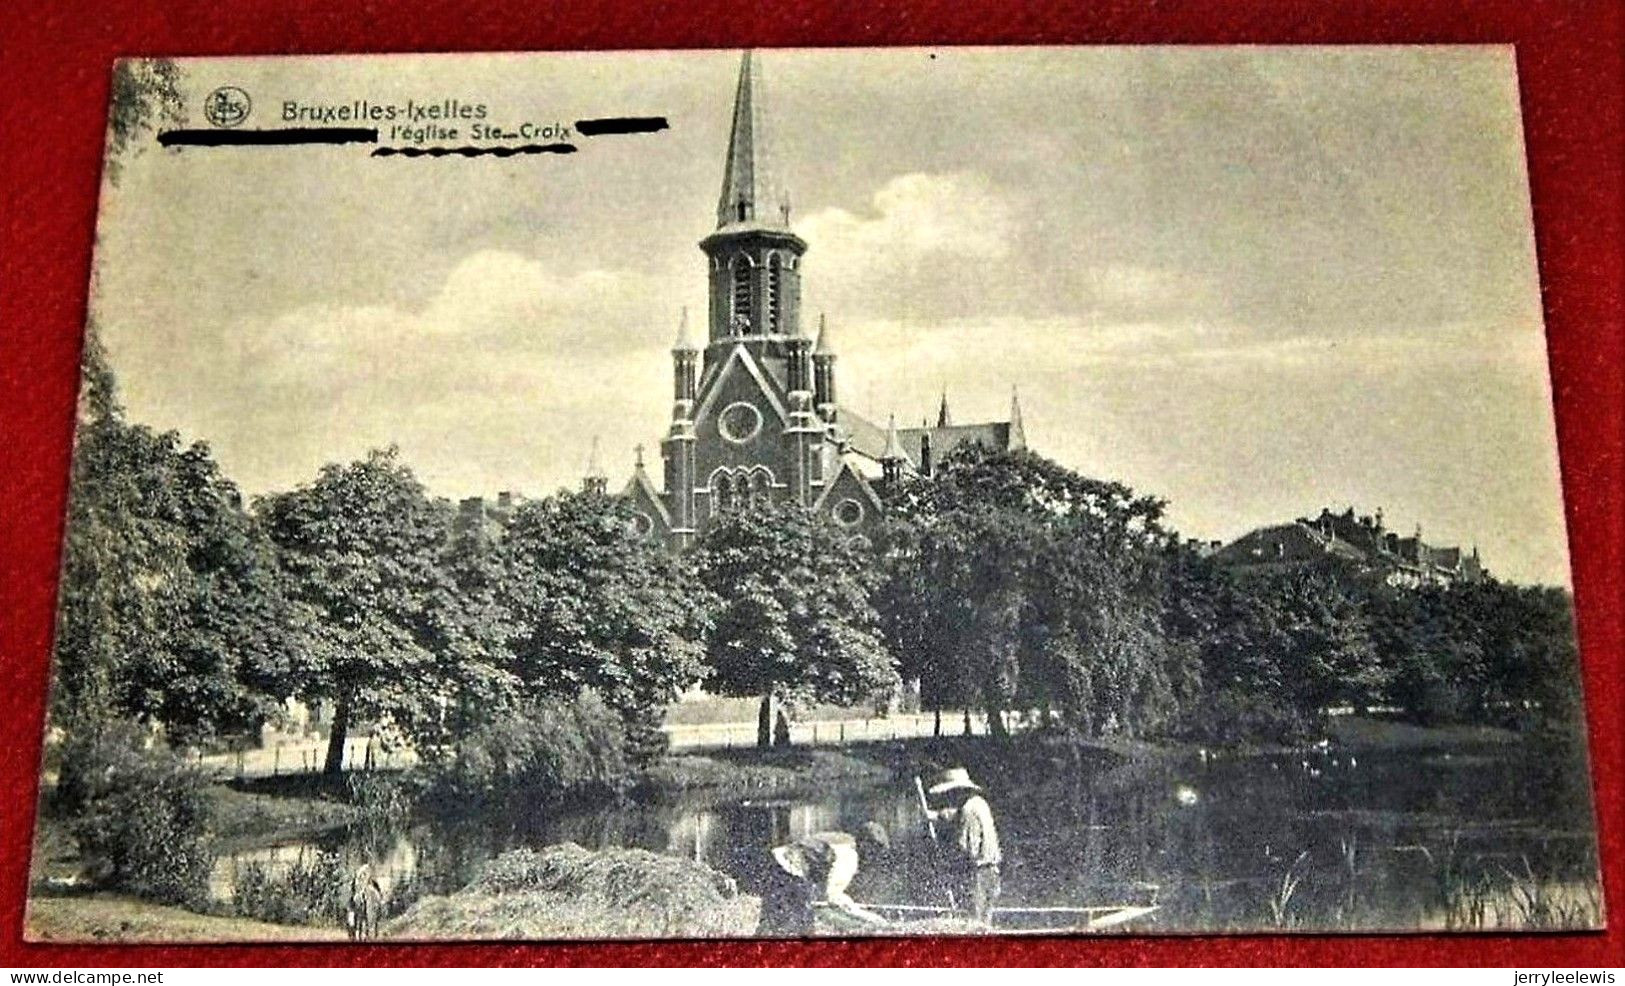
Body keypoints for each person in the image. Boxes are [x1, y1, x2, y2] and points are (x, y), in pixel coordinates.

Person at [756, 822, 890, 935]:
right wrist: (874, 920)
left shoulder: (843, 838)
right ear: (866, 845)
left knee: (770, 923)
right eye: (875, 851)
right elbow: (832, 897)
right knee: (802, 929)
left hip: (776, 861)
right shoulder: (849, 855)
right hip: (789, 870)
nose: (873, 858)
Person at [922, 766, 1002, 926]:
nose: (947, 797)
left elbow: (966, 849)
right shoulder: (979, 802)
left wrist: (945, 862)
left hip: (978, 875)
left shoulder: (968, 811)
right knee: (985, 923)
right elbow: (953, 814)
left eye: (949, 794)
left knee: (974, 924)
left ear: (956, 791)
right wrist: (937, 815)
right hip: (992, 872)